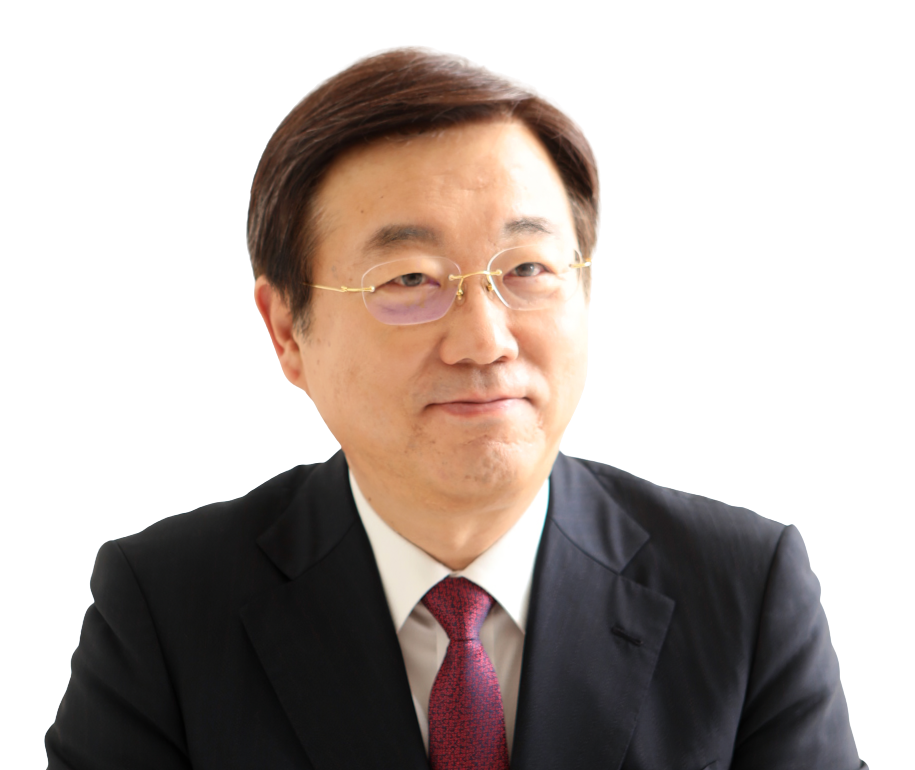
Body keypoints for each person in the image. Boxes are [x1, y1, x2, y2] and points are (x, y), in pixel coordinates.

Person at [45, 46, 867, 769]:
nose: (483, 341)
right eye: (409, 279)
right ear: (287, 330)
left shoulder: (744, 587)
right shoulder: (164, 605)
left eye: (527, 269)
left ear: (585, 290)